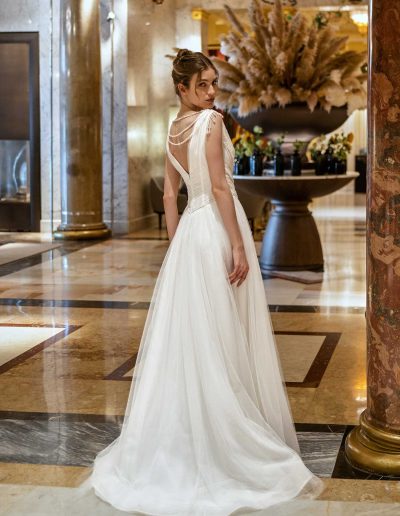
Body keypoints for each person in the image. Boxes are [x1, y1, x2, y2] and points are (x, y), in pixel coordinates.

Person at [91, 49, 322, 515]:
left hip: (191, 237)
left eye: (214, 84)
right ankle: (229, 433)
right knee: (226, 329)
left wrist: (177, 247)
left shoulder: (171, 132)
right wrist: (238, 246)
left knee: (196, 336)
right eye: (204, 85)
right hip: (217, 228)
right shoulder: (210, 123)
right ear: (182, 87)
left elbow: (170, 196)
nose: (213, 93)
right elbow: (219, 188)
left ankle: (194, 429)